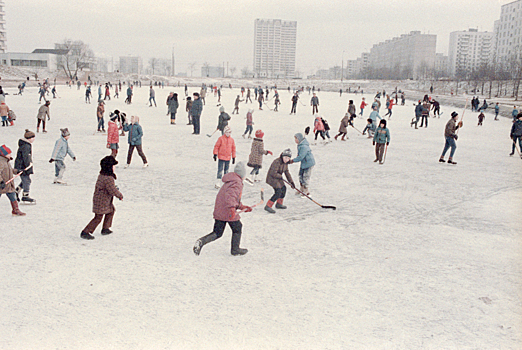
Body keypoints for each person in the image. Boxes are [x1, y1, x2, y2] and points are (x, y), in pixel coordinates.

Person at [193, 161, 250, 256]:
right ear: (242, 174)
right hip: (227, 211)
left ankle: (201, 242)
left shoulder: (231, 180)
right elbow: (231, 197)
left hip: (221, 210)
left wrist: (242, 207)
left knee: (218, 232)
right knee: (237, 227)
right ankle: (235, 249)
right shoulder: (237, 182)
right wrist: (232, 209)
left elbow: (232, 198)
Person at [80, 156, 123, 240]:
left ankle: (105, 228)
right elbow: (112, 190)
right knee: (98, 217)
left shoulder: (103, 175)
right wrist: (119, 195)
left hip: (102, 200)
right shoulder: (108, 178)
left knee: (111, 211)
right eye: (113, 166)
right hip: (102, 201)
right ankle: (86, 231)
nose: (114, 168)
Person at [264, 148, 295, 213]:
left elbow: (287, 172)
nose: (286, 160)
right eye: (285, 157)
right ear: (282, 156)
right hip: (272, 178)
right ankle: (268, 206)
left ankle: (279, 204)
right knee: (278, 192)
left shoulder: (285, 163)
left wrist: (291, 182)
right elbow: (273, 173)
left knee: (284, 189)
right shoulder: (277, 162)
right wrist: (280, 176)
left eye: (288, 158)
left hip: (278, 178)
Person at [0, 145, 26, 216]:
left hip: (8, 185)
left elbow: (10, 170)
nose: (10, 155)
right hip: (2, 184)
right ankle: (15, 210)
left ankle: (15, 210)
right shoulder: (1, 162)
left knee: (12, 195)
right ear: (4, 154)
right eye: (9, 154)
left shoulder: (6, 161)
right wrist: (1, 181)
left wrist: (17, 171)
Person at [14, 130, 36, 204]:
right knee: (27, 181)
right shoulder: (26, 146)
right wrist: (28, 166)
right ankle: (25, 196)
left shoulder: (25, 144)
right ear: (29, 138)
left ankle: (16, 191)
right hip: (22, 167)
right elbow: (26, 157)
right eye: (33, 137)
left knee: (25, 180)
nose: (34, 139)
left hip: (22, 166)